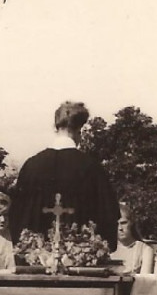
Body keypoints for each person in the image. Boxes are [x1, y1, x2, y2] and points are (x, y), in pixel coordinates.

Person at [9, 101, 121, 249]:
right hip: (81, 264)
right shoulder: (91, 168)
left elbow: (17, 218)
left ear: (56, 128)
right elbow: (108, 217)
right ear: (79, 130)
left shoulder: (31, 166)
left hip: (36, 263)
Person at [111, 203, 156, 275]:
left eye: (123, 223)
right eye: (116, 224)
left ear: (131, 223)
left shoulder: (144, 249)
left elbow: (145, 280)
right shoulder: (107, 250)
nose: (120, 228)